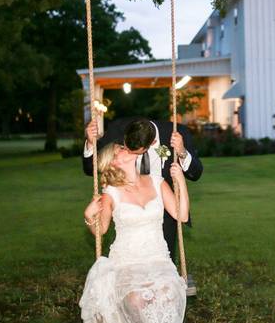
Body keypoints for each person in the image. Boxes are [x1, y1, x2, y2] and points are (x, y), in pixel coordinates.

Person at [79, 143, 194, 323]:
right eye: (120, 149)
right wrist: (88, 216)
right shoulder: (111, 193)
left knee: (168, 294)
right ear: (114, 161)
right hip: (127, 261)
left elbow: (182, 215)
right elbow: (100, 230)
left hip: (158, 258)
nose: (127, 148)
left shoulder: (157, 182)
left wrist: (180, 181)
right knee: (136, 299)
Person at [82, 116, 203, 295]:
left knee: (162, 274)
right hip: (127, 204)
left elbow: (195, 173)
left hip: (162, 205)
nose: (129, 153)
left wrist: (182, 152)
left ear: (152, 142)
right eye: (125, 148)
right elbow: (91, 166)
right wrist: (90, 141)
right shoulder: (118, 130)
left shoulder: (176, 132)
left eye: (135, 152)